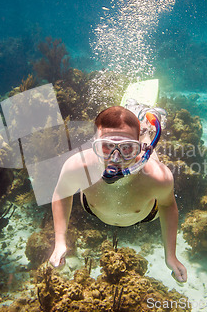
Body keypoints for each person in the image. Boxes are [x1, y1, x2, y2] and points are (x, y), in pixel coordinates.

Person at [48, 106, 187, 282]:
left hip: (147, 214)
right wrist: (59, 241)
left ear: (138, 148)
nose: (116, 158)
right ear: (94, 144)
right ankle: (137, 130)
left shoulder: (158, 176)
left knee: (151, 157)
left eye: (127, 148)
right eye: (106, 147)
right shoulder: (77, 166)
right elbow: (62, 194)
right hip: (94, 209)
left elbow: (167, 205)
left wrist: (171, 256)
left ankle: (145, 131)